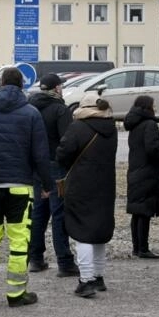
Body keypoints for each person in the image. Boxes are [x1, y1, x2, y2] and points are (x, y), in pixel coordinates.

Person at [0, 67, 53, 308]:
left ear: (1, 84)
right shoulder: (31, 113)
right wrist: (46, 185)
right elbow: (40, 154)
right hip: (19, 187)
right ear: (21, 86)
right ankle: (16, 293)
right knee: (18, 241)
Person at [56, 93, 118, 298]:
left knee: (82, 232)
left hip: (82, 186)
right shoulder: (112, 129)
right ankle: (99, 277)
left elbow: (62, 154)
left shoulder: (77, 128)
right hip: (106, 185)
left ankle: (86, 280)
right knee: (99, 232)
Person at [27, 72, 76, 276]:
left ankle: (36, 259)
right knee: (59, 213)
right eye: (60, 86)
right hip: (56, 166)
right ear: (56, 88)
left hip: (36, 166)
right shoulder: (60, 109)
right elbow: (67, 141)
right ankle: (64, 262)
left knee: (38, 213)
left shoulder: (31, 109)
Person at [123, 95, 159, 259]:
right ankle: (143, 248)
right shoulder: (149, 124)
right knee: (144, 211)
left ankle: (137, 248)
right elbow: (152, 149)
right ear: (147, 107)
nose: (155, 107)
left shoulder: (134, 124)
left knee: (137, 211)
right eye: (153, 104)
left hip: (135, 171)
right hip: (147, 172)